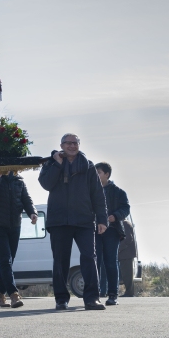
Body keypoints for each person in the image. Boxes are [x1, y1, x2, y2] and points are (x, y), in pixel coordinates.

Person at [39, 133, 108, 311]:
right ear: (61, 145)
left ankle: (92, 298)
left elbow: (98, 195)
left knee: (89, 258)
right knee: (60, 261)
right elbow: (46, 184)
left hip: (84, 220)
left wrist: (102, 219)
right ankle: (61, 299)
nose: (71, 146)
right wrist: (58, 165)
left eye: (75, 143)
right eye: (68, 143)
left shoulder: (88, 166)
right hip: (59, 220)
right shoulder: (50, 163)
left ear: (79, 144)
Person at [0, 171, 38, 308]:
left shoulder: (19, 181)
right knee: (5, 260)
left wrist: (32, 212)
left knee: (9, 261)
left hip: (15, 225)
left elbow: (26, 199)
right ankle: (13, 294)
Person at [94, 162, 130, 306]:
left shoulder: (118, 192)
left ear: (107, 174)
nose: (96, 176)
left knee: (110, 262)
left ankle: (113, 295)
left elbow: (126, 208)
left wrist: (115, 216)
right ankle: (94, 294)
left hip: (112, 230)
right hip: (94, 230)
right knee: (94, 262)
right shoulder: (91, 191)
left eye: (99, 173)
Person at [118, 219, 137, 297]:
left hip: (126, 254)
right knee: (127, 274)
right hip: (126, 254)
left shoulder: (125, 223)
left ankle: (129, 292)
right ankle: (129, 292)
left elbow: (128, 238)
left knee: (127, 274)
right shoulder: (126, 223)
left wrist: (118, 248)